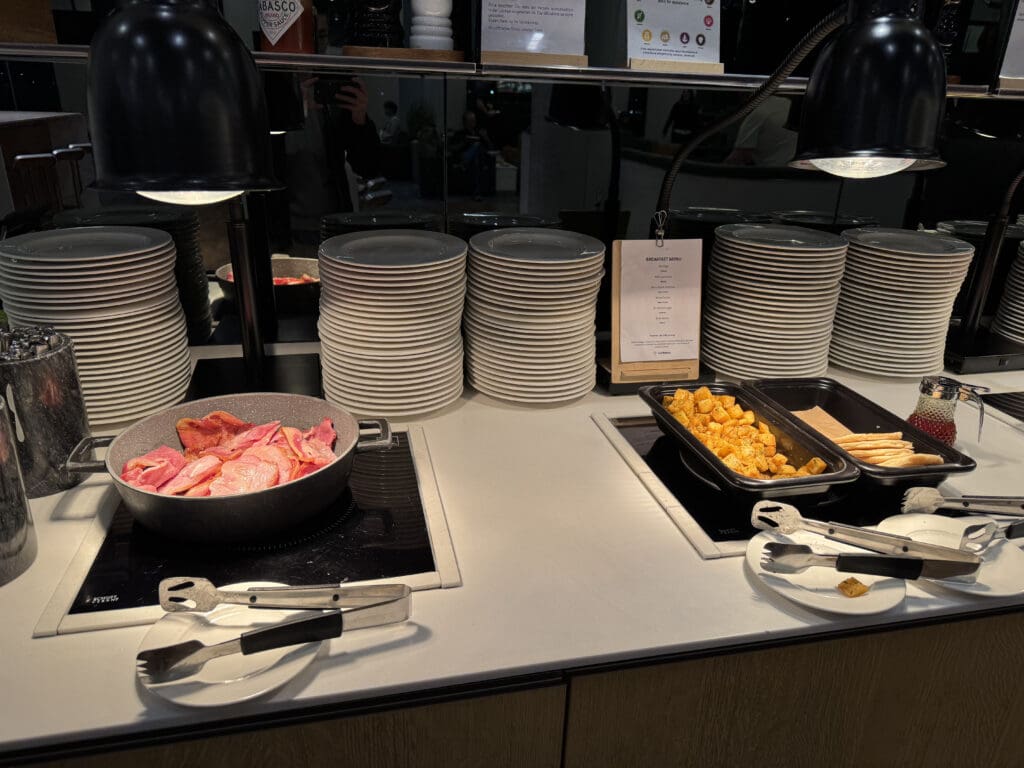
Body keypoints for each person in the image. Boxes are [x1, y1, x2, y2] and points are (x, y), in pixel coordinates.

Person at [285, 76, 381, 255]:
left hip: (335, 222)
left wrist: (359, 120)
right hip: (286, 227)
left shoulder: (332, 101)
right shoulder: (272, 84)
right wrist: (289, 108)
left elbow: (368, 167)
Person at [723, 95, 797, 167]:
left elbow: (739, 157)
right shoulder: (788, 104)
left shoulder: (756, 114)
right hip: (799, 173)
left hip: (773, 173)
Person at [449, 110, 491, 200]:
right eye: (471, 120)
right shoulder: (460, 134)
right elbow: (453, 149)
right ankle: (466, 163)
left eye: (474, 120)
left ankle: (476, 193)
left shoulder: (479, 133)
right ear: (465, 122)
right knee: (477, 146)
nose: (473, 122)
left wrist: (486, 137)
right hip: (463, 156)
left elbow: (490, 147)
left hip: (474, 161)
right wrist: (465, 142)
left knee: (477, 155)